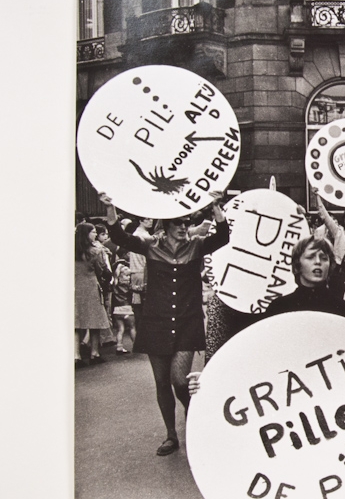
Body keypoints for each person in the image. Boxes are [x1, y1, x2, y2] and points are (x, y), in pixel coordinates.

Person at [102, 191, 230, 457]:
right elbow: (120, 238)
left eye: (186, 223)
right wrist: (111, 208)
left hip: (187, 322)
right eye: (178, 223)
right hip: (156, 323)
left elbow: (222, 237)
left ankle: (195, 418)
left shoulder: (196, 246)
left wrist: (216, 206)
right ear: (167, 225)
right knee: (161, 382)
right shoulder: (151, 246)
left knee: (180, 381)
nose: (184, 227)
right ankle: (171, 435)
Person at [262, 235, 345, 320]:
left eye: (324, 258)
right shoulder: (280, 307)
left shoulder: (341, 308)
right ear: (297, 265)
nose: (318, 262)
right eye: (310, 257)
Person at [75, 222, 112, 366]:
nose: (95, 234)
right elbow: (101, 270)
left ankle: (76, 355)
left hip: (74, 288)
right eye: (93, 232)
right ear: (87, 234)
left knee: (76, 323)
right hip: (90, 287)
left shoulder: (71, 251)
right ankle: (94, 353)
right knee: (94, 320)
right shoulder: (95, 251)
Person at [110, 260, 137, 354]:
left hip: (117, 310)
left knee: (120, 329)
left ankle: (119, 347)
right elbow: (135, 290)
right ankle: (136, 346)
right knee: (132, 327)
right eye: (127, 275)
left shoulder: (115, 284)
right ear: (122, 275)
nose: (129, 277)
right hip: (127, 308)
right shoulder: (127, 285)